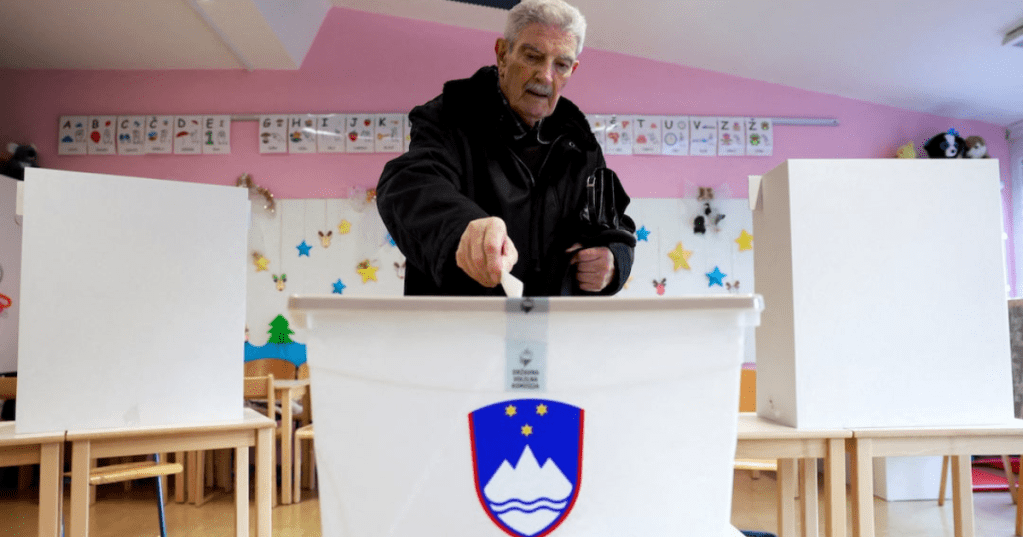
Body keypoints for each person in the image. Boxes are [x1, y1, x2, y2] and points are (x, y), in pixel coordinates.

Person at [376, 0, 636, 297]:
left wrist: (615, 259)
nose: (545, 76)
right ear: (502, 54)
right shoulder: (450, 115)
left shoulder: (581, 144)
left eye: (561, 65)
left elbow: (613, 223)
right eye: (533, 57)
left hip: (552, 323)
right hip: (460, 322)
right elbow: (408, 183)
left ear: (572, 70)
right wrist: (461, 229)